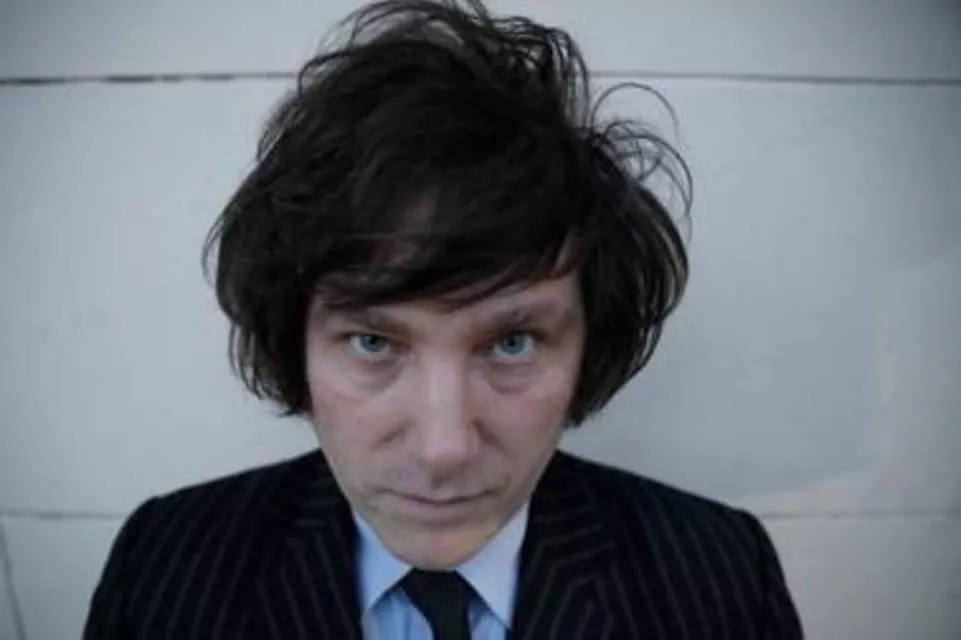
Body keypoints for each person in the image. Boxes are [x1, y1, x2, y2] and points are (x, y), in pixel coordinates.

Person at [84, 0, 803, 638]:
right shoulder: (164, 569)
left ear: (588, 347)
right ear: (293, 344)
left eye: (512, 343)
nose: (443, 448)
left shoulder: (721, 579)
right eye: (373, 341)